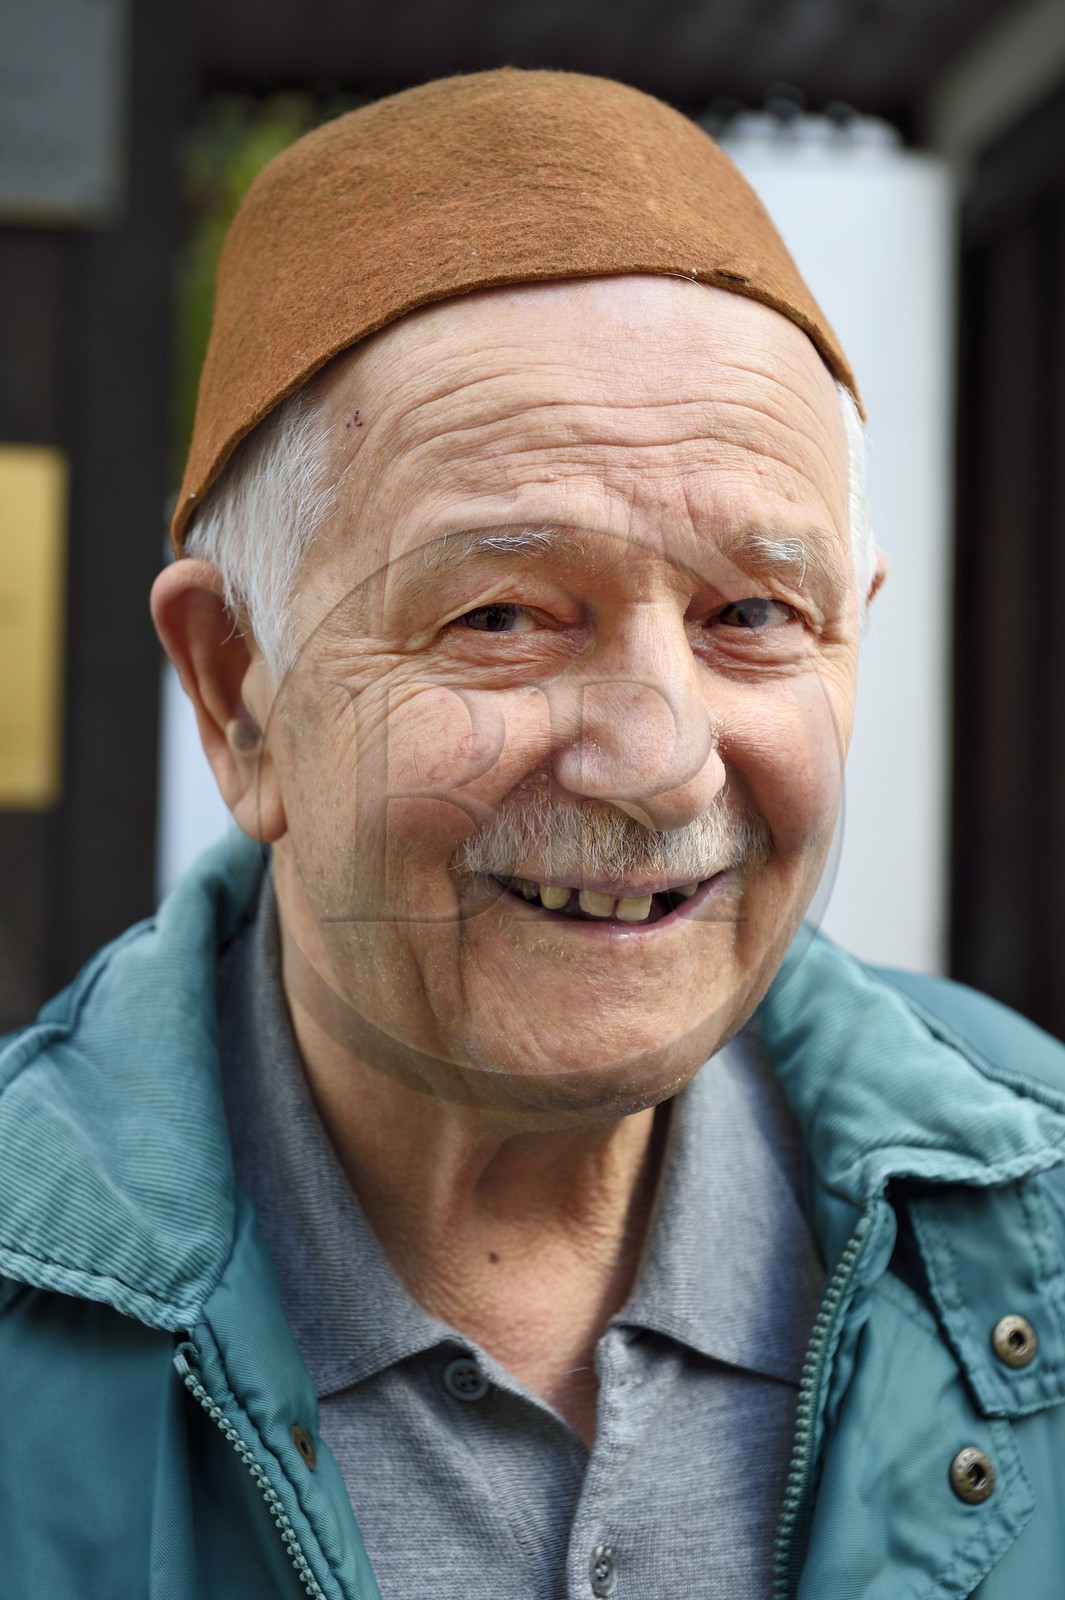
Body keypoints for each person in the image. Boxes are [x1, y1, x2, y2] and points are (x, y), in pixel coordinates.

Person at [2, 66, 1064, 1600]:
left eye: (752, 614)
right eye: (501, 616)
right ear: (240, 693)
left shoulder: (1035, 1223)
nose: (658, 764)